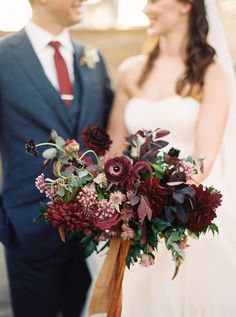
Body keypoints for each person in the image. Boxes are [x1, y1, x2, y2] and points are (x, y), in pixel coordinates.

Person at [108, 0, 236, 316]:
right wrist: (115, 198)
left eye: (153, 1)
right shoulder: (131, 70)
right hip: (132, 212)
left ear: (184, 5)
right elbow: (113, 149)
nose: (145, 8)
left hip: (188, 205)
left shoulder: (211, 74)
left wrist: (161, 201)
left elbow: (203, 159)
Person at [0, 0, 112, 316]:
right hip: (27, 225)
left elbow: (107, 134)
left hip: (92, 231)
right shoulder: (3, 57)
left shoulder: (93, 58)